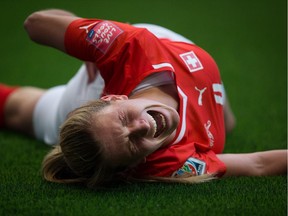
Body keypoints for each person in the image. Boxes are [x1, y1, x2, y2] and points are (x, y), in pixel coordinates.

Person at [1, 9, 286, 187]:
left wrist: (86, 35)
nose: (143, 127)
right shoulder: (169, 162)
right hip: (89, 111)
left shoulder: (125, 47)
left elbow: (34, 24)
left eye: (126, 120)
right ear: (136, 163)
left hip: (86, 91)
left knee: (22, 110)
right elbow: (257, 164)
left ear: (114, 98)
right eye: (133, 143)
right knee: (229, 127)